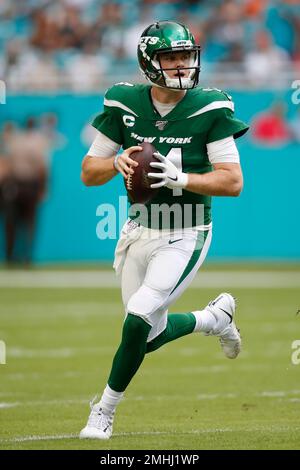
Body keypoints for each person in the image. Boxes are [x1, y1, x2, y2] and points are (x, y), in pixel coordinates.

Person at [80, 20, 249, 440]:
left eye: (186, 56)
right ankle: (214, 318)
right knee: (145, 337)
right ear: (148, 62)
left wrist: (183, 179)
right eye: (170, 57)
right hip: (138, 230)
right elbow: (88, 172)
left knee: (137, 319)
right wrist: (114, 162)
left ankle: (103, 412)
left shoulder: (210, 106)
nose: (181, 65)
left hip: (186, 231)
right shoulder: (123, 102)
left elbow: (232, 181)